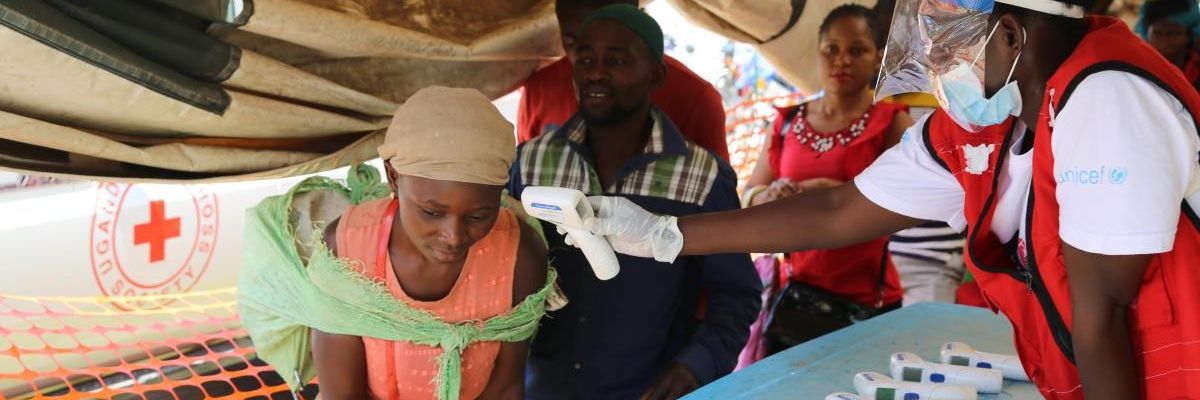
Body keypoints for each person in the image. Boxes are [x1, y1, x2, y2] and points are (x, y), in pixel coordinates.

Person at [582, 1, 1200, 398]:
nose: (934, 66)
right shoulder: (989, 121)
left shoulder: (1107, 97)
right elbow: (840, 210)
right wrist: (666, 233)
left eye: (945, 44)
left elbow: (1103, 316)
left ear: (1010, 34)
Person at [507, 5, 761, 399]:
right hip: (539, 386)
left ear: (656, 74)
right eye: (586, 58)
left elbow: (737, 293)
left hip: (645, 387)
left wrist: (695, 366)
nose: (595, 71)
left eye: (617, 59)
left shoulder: (700, 177)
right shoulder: (531, 162)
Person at [309, 87, 549, 400]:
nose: (454, 236)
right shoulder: (349, 249)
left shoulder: (520, 255)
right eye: (431, 212)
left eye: (478, 216)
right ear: (393, 178)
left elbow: (505, 387)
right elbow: (342, 395)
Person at [741, 4, 909, 345]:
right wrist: (769, 196)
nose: (842, 60)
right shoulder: (787, 122)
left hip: (865, 302)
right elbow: (750, 193)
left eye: (856, 50)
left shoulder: (892, 121)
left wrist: (839, 196)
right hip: (794, 295)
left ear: (878, 57)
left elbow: (905, 206)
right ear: (817, 53)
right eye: (831, 49)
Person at [516, 0, 730, 161]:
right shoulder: (539, 89)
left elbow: (717, 206)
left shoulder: (695, 98)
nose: (594, 72)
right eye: (575, 45)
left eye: (615, 57)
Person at [1136, 0, 1200, 89]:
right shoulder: (1136, 70)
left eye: (1172, 33)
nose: (1164, 40)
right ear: (1146, 33)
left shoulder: (1197, 73)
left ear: (1189, 35)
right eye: (1157, 33)